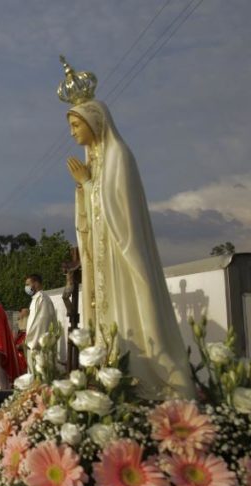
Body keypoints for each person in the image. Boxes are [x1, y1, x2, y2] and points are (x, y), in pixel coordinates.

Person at [60, 57, 193, 399]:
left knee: (130, 315)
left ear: (94, 120)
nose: (73, 133)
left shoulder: (119, 156)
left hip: (122, 257)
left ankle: (143, 378)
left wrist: (88, 186)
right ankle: (111, 378)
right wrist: (85, 187)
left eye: (76, 125)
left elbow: (122, 213)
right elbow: (93, 208)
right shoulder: (95, 160)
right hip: (105, 263)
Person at [24, 274, 58, 373]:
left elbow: (41, 323)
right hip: (34, 345)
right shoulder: (36, 298)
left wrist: (30, 342)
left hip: (38, 346)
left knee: (40, 376)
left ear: (36, 283)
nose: (26, 287)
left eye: (28, 284)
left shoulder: (42, 299)